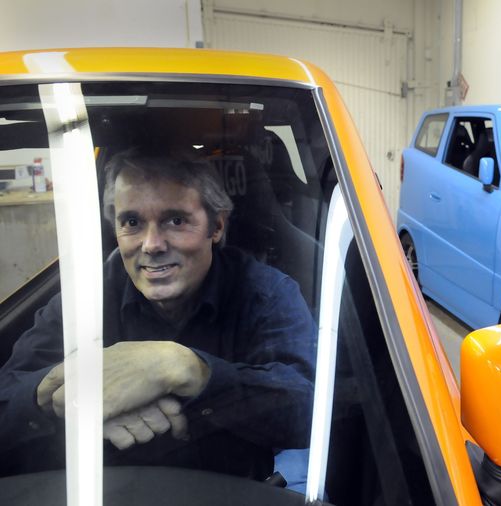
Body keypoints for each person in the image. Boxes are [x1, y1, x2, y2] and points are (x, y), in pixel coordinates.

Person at [0, 147, 317, 482]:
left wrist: (185, 368)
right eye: (132, 222)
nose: (151, 244)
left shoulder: (264, 293)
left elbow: (309, 413)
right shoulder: (87, 299)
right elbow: (7, 398)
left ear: (217, 227)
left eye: (176, 220)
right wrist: (54, 399)